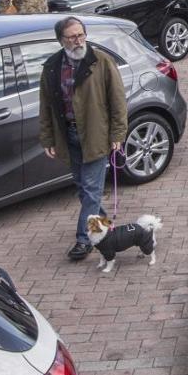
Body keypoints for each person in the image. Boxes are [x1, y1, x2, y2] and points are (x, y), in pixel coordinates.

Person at [38, 16, 128, 261]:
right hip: (68, 136)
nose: (78, 41)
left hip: (96, 135)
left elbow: (118, 101)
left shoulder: (101, 62)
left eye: (81, 35)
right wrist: (48, 138)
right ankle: (105, 225)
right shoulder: (52, 67)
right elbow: (45, 105)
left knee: (90, 189)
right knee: (83, 188)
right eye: (72, 37)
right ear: (61, 40)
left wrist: (117, 134)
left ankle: (83, 240)